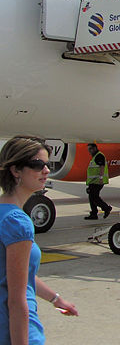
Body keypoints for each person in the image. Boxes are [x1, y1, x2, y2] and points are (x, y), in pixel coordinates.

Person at [0, 136, 78, 344]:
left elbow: (17, 273)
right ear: (15, 170)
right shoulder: (17, 222)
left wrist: (56, 299)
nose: (46, 171)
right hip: (15, 332)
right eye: (37, 165)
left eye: (47, 164)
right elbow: (17, 301)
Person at [84, 143, 111, 220]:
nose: (89, 151)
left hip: (98, 181)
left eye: (90, 149)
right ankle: (94, 214)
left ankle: (106, 208)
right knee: (91, 197)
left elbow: (102, 167)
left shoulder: (99, 156)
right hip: (94, 181)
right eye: (88, 149)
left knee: (94, 197)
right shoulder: (95, 156)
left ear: (94, 148)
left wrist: (101, 178)